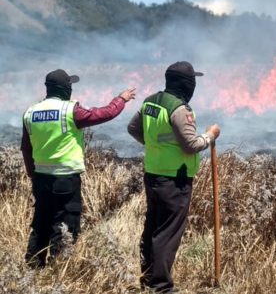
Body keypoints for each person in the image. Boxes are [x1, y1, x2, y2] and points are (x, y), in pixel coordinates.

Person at [21, 69, 136, 268]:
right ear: (65, 88)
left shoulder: (30, 113)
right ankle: (59, 271)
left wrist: (32, 174)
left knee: (40, 225)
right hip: (65, 180)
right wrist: (121, 99)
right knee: (65, 226)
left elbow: (25, 148)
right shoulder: (70, 111)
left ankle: (32, 269)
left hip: (41, 179)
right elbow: (103, 114)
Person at [127, 61, 220, 293]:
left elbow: (133, 128)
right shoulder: (179, 109)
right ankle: (162, 287)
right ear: (186, 85)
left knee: (153, 228)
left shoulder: (151, 101)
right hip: (175, 181)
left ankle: (147, 279)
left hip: (153, 175)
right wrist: (210, 135)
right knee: (167, 234)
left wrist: (154, 146)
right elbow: (190, 144)